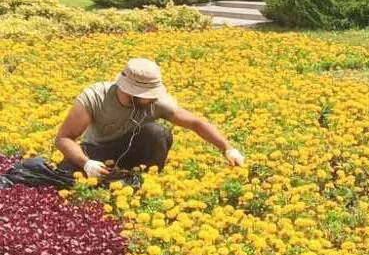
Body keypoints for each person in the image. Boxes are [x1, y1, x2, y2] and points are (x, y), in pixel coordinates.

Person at [51, 58, 244, 185]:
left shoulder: (156, 102)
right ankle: (109, 178)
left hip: (133, 150)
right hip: (97, 151)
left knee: (157, 132)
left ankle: (145, 180)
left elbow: (196, 123)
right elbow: (64, 139)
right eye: (148, 95)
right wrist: (86, 164)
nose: (153, 99)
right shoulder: (95, 97)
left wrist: (227, 148)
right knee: (64, 173)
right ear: (130, 91)